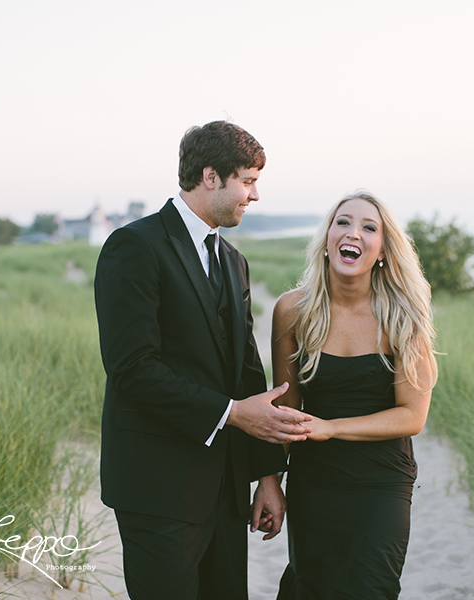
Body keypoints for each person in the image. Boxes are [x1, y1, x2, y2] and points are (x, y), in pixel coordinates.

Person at [94, 120, 312, 600]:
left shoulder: (233, 260)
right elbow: (133, 369)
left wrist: (268, 476)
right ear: (211, 176)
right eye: (248, 181)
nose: (254, 195)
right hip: (158, 487)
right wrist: (232, 414)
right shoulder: (134, 247)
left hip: (227, 491)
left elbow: (247, 373)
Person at [271, 191, 439, 600]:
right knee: (313, 587)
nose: (354, 233)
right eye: (343, 222)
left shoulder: (404, 314)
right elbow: (284, 409)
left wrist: (332, 427)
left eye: (369, 227)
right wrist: (270, 480)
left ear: (382, 249)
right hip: (314, 480)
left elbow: (411, 417)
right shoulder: (292, 310)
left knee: (371, 588)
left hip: (380, 482)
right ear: (328, 238)